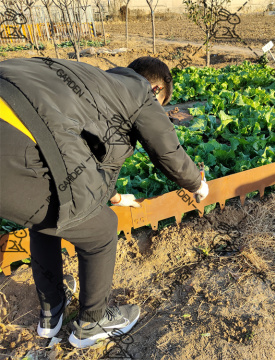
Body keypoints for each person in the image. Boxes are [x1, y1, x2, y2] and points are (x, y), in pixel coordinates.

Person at [0, 56, 209, 348]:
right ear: (156, 89)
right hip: (12, 146)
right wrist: (197, 183)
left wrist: (115, 196)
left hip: (10, 116)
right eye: (161, 105)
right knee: (101, 229)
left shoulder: (93, 82)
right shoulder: (139, 93)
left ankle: (52, 311)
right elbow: (167, 151)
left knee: (46, 218)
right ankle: (92, 323)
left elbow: (84, 152)